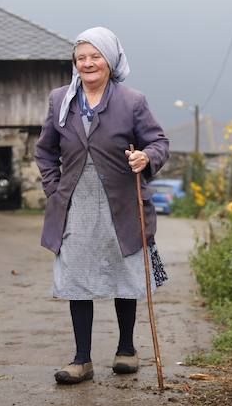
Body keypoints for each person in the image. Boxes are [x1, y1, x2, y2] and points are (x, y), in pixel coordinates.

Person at [35, 26, 170, 385]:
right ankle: (82, 359)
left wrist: (146, 157)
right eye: (81, 58)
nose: (88, 63)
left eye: (95, 57)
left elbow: (158, 141)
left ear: (110, 61)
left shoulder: (132, 101)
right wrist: (53, 188)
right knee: (77, 275)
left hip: (123, 201)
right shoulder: (59, 99)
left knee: (123, 273)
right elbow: (45, 150)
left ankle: (126, 349)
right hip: (76, 201)